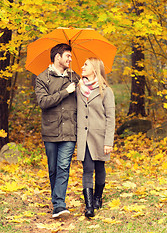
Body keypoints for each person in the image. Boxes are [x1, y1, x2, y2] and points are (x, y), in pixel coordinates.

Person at [35, 43, 80, 218]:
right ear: (57, 57)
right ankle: (57, 202)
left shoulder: (74, 77)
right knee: (53, 168)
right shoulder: (42, 78)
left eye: (70, 56)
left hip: (70, 130)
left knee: (63, 167)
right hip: (51, 130)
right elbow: (43, 102)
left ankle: (59, 205)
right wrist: (65, 91)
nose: (70, 59)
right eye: (67, 56)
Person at [76, 57, 115, 218]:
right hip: (84, 137)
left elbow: (111, 117)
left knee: (100, 168)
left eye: (86, 64)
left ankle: (98, 197)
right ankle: (89, 205)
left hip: (100, 136)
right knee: (87, 169)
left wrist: (108, 142)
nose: (82, 67)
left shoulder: (106, 91)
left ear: (94, 68)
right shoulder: (78, 88)